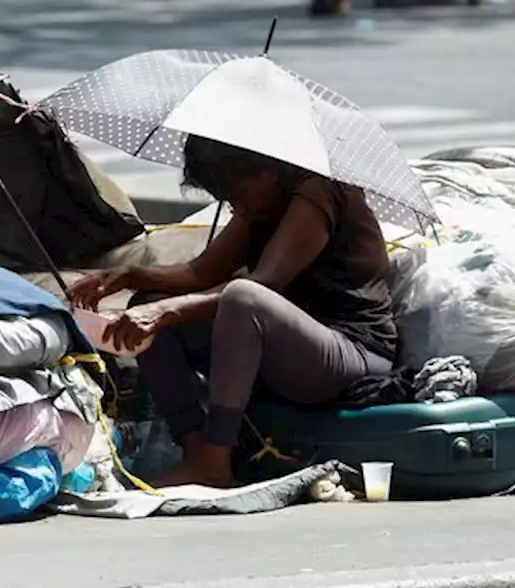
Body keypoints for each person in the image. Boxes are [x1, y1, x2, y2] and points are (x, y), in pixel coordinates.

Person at [69, 135, 398, 489]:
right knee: (146, 307)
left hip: (351, 353)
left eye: (237, 196)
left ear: (268, 173)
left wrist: (168, 310)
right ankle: (196, 451)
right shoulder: (260, 203)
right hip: (288, 354)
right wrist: (131, 276)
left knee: (241, 299)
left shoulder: (320, 190)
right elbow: (200, 274)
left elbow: (263, 286)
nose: (235, 209)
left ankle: (216, 458)